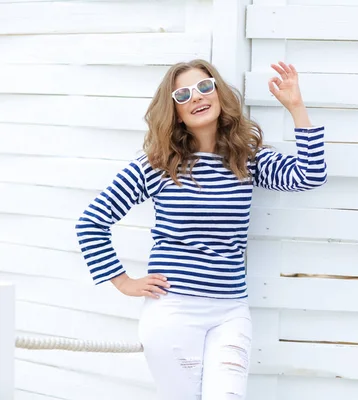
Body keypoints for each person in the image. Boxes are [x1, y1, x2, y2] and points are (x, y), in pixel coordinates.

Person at [75, 59, 327, 399]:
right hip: (173, 311)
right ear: (175, 111)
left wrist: (296, 107)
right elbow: (91, 222)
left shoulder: (246, 160)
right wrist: (123, 282)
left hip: (230, 311)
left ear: (219, 95)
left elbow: (309, 175)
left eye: (204, 87)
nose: (196, 97)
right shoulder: (158, 165)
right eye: (183, 94)